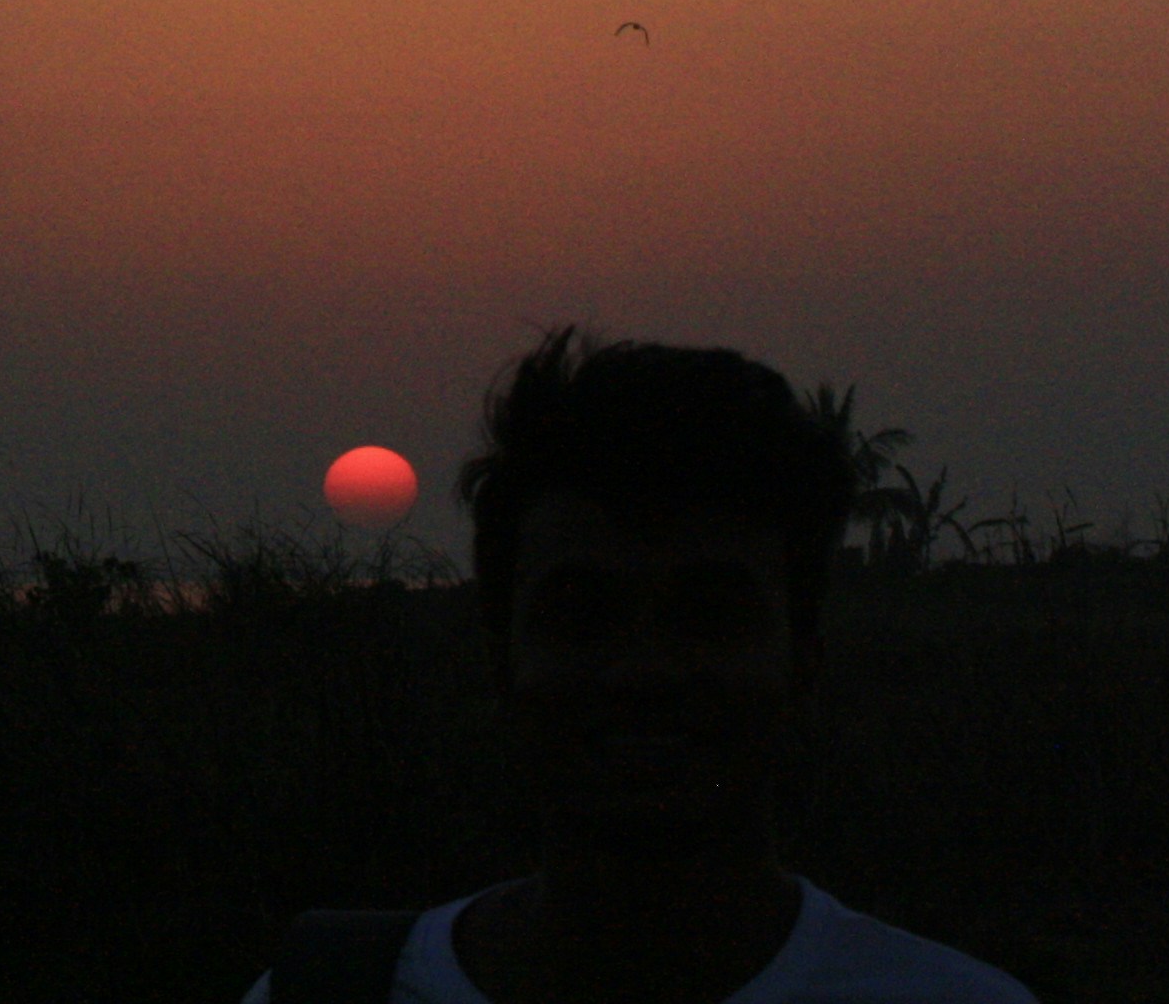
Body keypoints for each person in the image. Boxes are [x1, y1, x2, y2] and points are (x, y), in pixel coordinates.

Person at [242, 329, 1034, 1003]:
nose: (642, 673)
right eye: (582, 616)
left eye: (710, 615)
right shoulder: (328, 989)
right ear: (500, 657)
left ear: (803, 658)